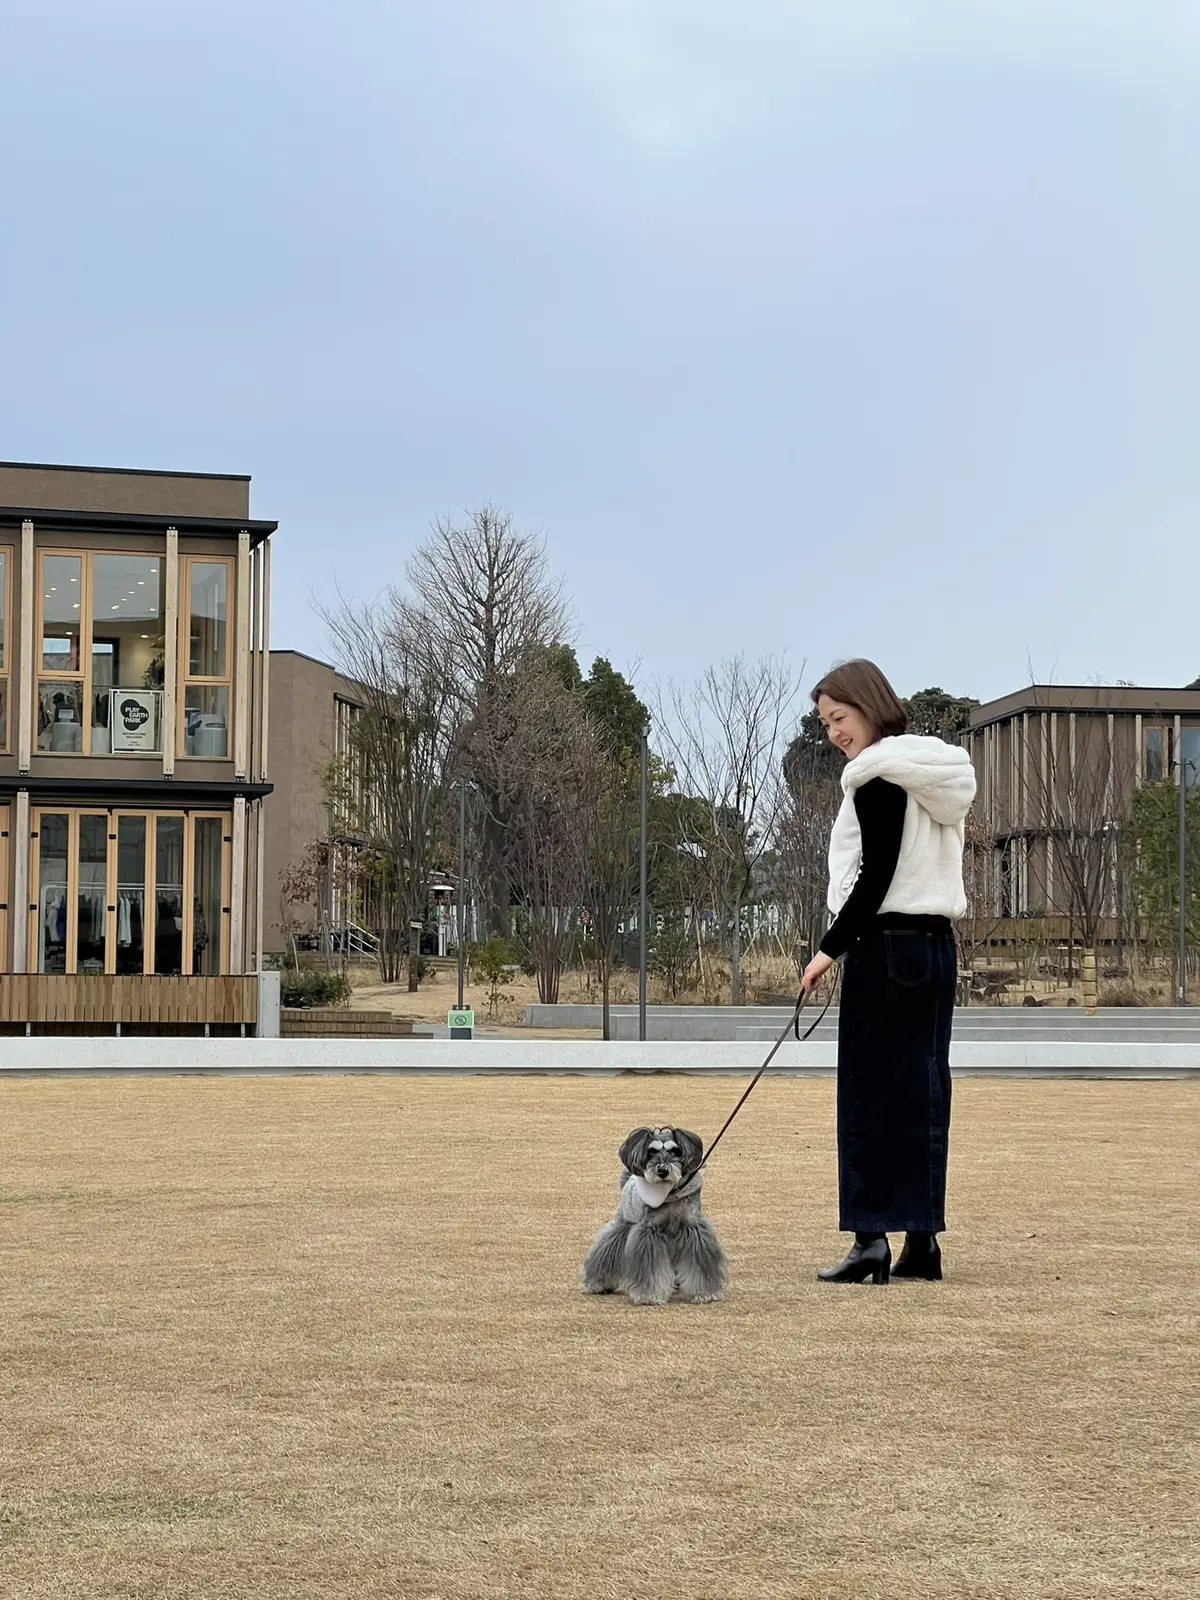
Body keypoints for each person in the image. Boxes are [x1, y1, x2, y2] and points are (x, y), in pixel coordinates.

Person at [799, 660, 976, 1285]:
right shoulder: (935, 776)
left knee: (869, 1095)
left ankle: (870, 1238)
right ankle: (922, 1241)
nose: (833, 734)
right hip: (934, 948)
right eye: (825, 724)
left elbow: (874, 877)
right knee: (925, 1091)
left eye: (838, 718)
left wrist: (827, 950)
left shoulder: (877, 777)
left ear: (868, 706)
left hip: (885, 947)